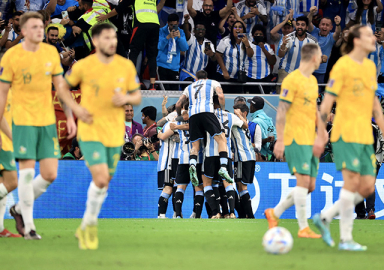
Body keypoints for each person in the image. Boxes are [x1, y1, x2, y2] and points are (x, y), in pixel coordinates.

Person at [0, 12, 87, 240]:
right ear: (24, 31)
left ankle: (18, 209)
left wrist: (69, 116)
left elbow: (61, 88)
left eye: (42, 26)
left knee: (49, 174)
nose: (41, 30)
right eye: (36, 27)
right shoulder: (11, 56)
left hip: (47, 120)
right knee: (26, 174)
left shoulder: (50, 53)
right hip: (22, 120)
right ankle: (29, 227)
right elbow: (2, 94)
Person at [64, 23, 141, 249]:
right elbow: (62, 88)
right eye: (107, 37)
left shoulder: (125, 65)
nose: (112, 42)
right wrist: (75, 111)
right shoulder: (84, 66)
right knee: (99, 178)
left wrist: (126, 99)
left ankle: (85, 224)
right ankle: (91, 227)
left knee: (104, 182)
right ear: (96, 41)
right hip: (90, 131)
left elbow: (137, 95)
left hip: (114, 133)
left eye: (114, 37)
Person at [313, 25, 384, 251]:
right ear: (356, 41)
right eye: (368, 35)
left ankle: (325, 217)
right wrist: (322, 131)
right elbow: (327, 102)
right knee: (353, 182)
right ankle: (345, 238)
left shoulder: (371, 66)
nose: (374, 37)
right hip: (346, 131)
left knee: (367, 185)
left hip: (365, 132)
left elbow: (374, 103)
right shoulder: (342, 66)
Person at [265, 43, 323, 239]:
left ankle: (275, 213)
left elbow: (314, 108)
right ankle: (303, 227)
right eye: (321, 55)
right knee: (303, 181)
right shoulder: (292, 80)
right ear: (314, 57)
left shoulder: (313, 81)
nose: (322, 58)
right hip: (295, 137)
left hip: (310, 138)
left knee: (310, 186)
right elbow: (282, 110)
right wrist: (280, 140)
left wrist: (322, 130)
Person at [175, 70, 233, 217]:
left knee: (195, 146)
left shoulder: (189, 87)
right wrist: (222, 107)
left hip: (193, 115)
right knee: (221, 139)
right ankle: (224, 167)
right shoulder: (213, 82)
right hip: (207, 112)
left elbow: (178, 103)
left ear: (196, 78)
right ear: (206, 77)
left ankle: (193, 165)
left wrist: (178, 117)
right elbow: (220, 95)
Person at [277, 16, 319, 93]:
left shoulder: (313, 41)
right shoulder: (288, 38)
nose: (299, 27)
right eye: (298, 24)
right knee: (281, 98)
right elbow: (280, 55)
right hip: (286, 71)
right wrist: (283, 45)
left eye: (302, 25)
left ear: (306, 27)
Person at [0, 95, 21, 238]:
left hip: (6, 141)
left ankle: (0, 228)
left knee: (2, 183)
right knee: (12, 182)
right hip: (3, 141)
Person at [231, 103, 256, 218]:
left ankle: (249, 216)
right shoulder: (241, 122)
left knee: (242, 186)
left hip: (242, 157)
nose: (234, 113)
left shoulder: (241, 123)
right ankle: (244, 215)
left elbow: (244, 124)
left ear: (244, 113)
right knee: (239, 185)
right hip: (249, 157)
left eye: (237, 111)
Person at [216, 20, 254, 93]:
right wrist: (224, 71)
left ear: (243, 30)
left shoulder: (246, 41)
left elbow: (250, 55)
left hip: (238, 78)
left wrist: (247, 44)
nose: (237, 29)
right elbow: (218, 55)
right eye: (235, 27)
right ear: (232, 30)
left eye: (240, 27)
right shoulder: (226, 41)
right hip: (224, 76)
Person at [307, 7, 342, 84]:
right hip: (308, 69)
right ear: (319, 25)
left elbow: (338, 33)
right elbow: (308, 23)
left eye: (327, 25)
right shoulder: (314, 31)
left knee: (318, 93)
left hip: (321, 72)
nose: (324, 27)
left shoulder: (331, 37)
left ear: (331, 27)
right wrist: (311, 13)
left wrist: (338, 24)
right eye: (323, 24)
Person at [157, 13, 189, 90]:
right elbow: (159, 47)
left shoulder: (181, 32)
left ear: (178, 23)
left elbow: (184, 48)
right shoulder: (161, 31)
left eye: (175, 25)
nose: (172, 27)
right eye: (171, 25)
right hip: (162, 66)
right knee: (165, 91)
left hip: (174, 67)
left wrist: (179, 38)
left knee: (174, 91)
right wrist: (167, 37)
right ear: (167, 23)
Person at [181, 17, 216, 81]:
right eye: (198, 29)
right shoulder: (191, 39)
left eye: (202, 29)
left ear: (205, 31)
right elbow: (186, 31)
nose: (200, 31)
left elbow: (214, 59)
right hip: (187, 73)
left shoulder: (208, 43)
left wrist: (212, 55)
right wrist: (186, 22)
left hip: (200, 76)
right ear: (194, 30)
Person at [244, 24, 276, 93]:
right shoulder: (248, 45)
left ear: (263, 35)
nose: (258, 36)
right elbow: (249, 55)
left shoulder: (267, 46)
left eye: (260, 34)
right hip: (250, 78)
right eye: (256, 34)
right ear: (253, 35)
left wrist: (263, 49)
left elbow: (272, 61)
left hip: (265, 78)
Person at [248, 96, 276, 160]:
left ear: (252, 105)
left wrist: (266, 140)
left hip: (262, 157)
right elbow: (272, 136)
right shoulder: (268, 119)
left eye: (250, 104)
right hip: (270, 155)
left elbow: (259, 141)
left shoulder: (256, 121)